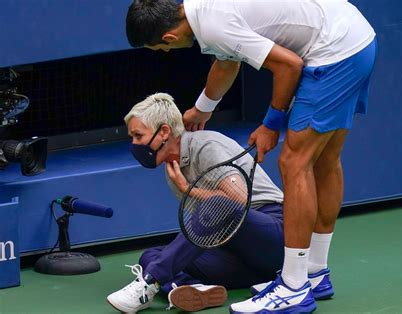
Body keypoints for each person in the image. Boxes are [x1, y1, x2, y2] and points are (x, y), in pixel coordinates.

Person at [126, 1, 377, 312]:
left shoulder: (213, 24)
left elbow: (289, 65)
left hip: (334, 50)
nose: (166, 53)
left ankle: (294, 287)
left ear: (168, 38)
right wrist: (203, 108)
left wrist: (271, 124)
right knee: (325, 160)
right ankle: (314, 274)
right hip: (355, 38)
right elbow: (227, 61)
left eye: (160, 50)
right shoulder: (202, 10)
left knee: (293, 162)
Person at [107, 92, 288, 313]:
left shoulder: (205, 145)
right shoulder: (174, 168)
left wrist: (188, 190)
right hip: (244, 258)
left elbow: (238, 201)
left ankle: (150, 282)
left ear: (164, 131)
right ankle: (192, 289)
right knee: (151, 255)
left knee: (216, 206)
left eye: (138, 136)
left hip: (275, 235)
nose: (134, 144)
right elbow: (204, 234)